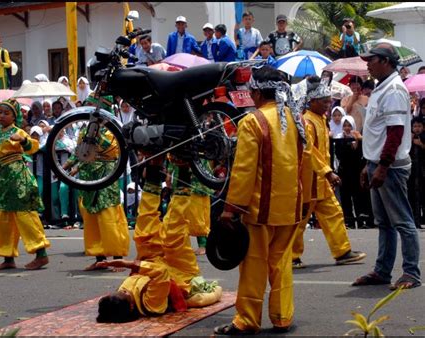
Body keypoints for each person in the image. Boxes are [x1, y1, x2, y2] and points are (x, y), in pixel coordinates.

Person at [213, 66, 305, 335]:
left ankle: (247, 320)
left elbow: (244, 170)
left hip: (260, 208)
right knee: (281, 262)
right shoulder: (295, 117)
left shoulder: (253, 121)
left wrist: (231, 209)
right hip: (290, 206)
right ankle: (281, 316)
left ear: (257, 92)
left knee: (253, 265)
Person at [96, 157, 221, 323]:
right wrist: (127, 264)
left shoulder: (120, 298)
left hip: (153, 260)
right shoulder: (151, 305)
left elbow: (140, 272)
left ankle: (153, 168)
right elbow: (160, 274)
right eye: (125, 294)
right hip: (179, 271)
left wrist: (139, 258)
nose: (125, 290)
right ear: (132, 307)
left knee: (143, 231)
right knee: (172, 231)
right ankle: (183, 167)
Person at [353, 43, 421, 290]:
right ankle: (382, 271)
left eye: (371, 59)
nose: (367, 64)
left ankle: (411, 273)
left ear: (385, 61)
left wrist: (382, 166)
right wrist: (369, 164)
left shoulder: (393, 89)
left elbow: (394, 134)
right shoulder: (383, 87)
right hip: (378, 163)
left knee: (402, 221)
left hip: (389, 166)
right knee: (384, 222)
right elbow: (379, 133)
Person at [292, 77, 366, 269]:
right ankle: (291, 256)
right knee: (300, 219)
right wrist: (327, 172)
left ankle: (342, 251)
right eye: (324, 101)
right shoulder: (307, 122)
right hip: (308, 180)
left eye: (328, 101)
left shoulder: (319, 119)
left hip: (320, 180)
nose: (328, 105)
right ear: (313, 102)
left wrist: (326, 172)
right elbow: (308, 151)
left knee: (334, 213)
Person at [0, 99, 50, 270]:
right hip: (3, 180)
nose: (2, 116)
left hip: (19, 177)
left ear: (14, 116)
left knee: (25, 216)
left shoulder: (18, 131)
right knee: (3, 219)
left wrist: (22, 140)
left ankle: (41, 254)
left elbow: (32, 148)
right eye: (0, 113)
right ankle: (8, 257)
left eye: (6, 113)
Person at [62, 118, 130, 271]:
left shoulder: (112, 129)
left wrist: (97, 135)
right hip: (88, 176)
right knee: (91, 215)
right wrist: (68, 165)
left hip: (106, 174)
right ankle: (100, 259)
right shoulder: (86, 129)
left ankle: (117, 259)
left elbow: (113, 149)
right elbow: (81, 149)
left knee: (108, 215)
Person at [408, 117, 424, 229]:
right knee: (412, 195)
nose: (417, 129)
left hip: (422, 171)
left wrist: (421, 144)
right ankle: (414, 219)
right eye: (415, 126)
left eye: (419, 126)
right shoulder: (408, 138)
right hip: (412, 172)